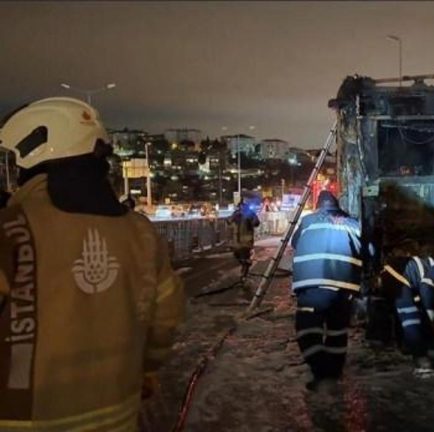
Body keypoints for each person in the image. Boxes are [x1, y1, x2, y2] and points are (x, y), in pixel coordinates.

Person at [0, 97, 185, 430]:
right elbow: (164, 320)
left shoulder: (11, 229)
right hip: (117, 413)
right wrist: (145, 370)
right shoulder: (140, 232)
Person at [291, 191, 366, 391]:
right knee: (337, 331)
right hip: (344, 289)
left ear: (318, 206)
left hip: (313, 286)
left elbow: (294, 243)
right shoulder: (353, 223)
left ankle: (322, 374)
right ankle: (333, 374)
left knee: (307, 331)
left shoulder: (308, 221)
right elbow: (369, 251)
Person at [380, 251, 434, 374]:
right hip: (398, 276)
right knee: (410, 319)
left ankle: (411, 348)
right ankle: (421, 361)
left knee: (412, 318)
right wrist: (431, 314)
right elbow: (425, 287)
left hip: (399, 276)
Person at [229, 199, 260, 278]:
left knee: (244, 256)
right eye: (240, 206)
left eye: (243, 206)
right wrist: (234, 217)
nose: (241, 207)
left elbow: (256, 223)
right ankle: (246, 265)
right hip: (237, 241)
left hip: (246, 241)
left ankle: (244, 273)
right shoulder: (236, 214)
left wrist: (250, 219)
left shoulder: (250, 214)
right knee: (237, 255)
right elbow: (229, 222)